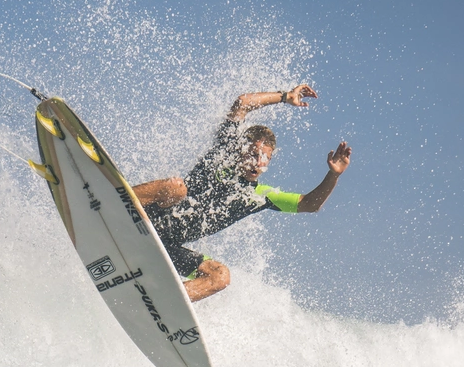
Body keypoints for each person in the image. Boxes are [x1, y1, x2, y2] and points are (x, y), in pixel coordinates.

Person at [133, 84, 351, 302]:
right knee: (176, 188)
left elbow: (310, 204)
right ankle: (112, 198)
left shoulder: (260, 196)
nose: (258, 162)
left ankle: (160, 300)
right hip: (143, 215)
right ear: (240, 149)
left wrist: (333, 176)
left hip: (166, 247)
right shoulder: (223, 154)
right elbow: (242, 103)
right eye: (253, 153)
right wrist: (285, 97)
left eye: (265, 158)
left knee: (221, 276)